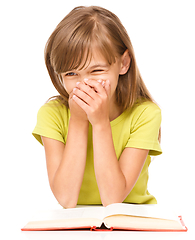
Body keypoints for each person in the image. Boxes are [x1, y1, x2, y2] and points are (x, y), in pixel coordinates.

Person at [32, 6, 162, 208]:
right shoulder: (51, 114)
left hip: (135, 223)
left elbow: (113, 199)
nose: (84, 84)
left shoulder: (145, 114)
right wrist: (78, 120)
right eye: (71, 74)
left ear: (123, 63)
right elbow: (66, 199)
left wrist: (100, 124)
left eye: (97, 70)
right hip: (79, 226)